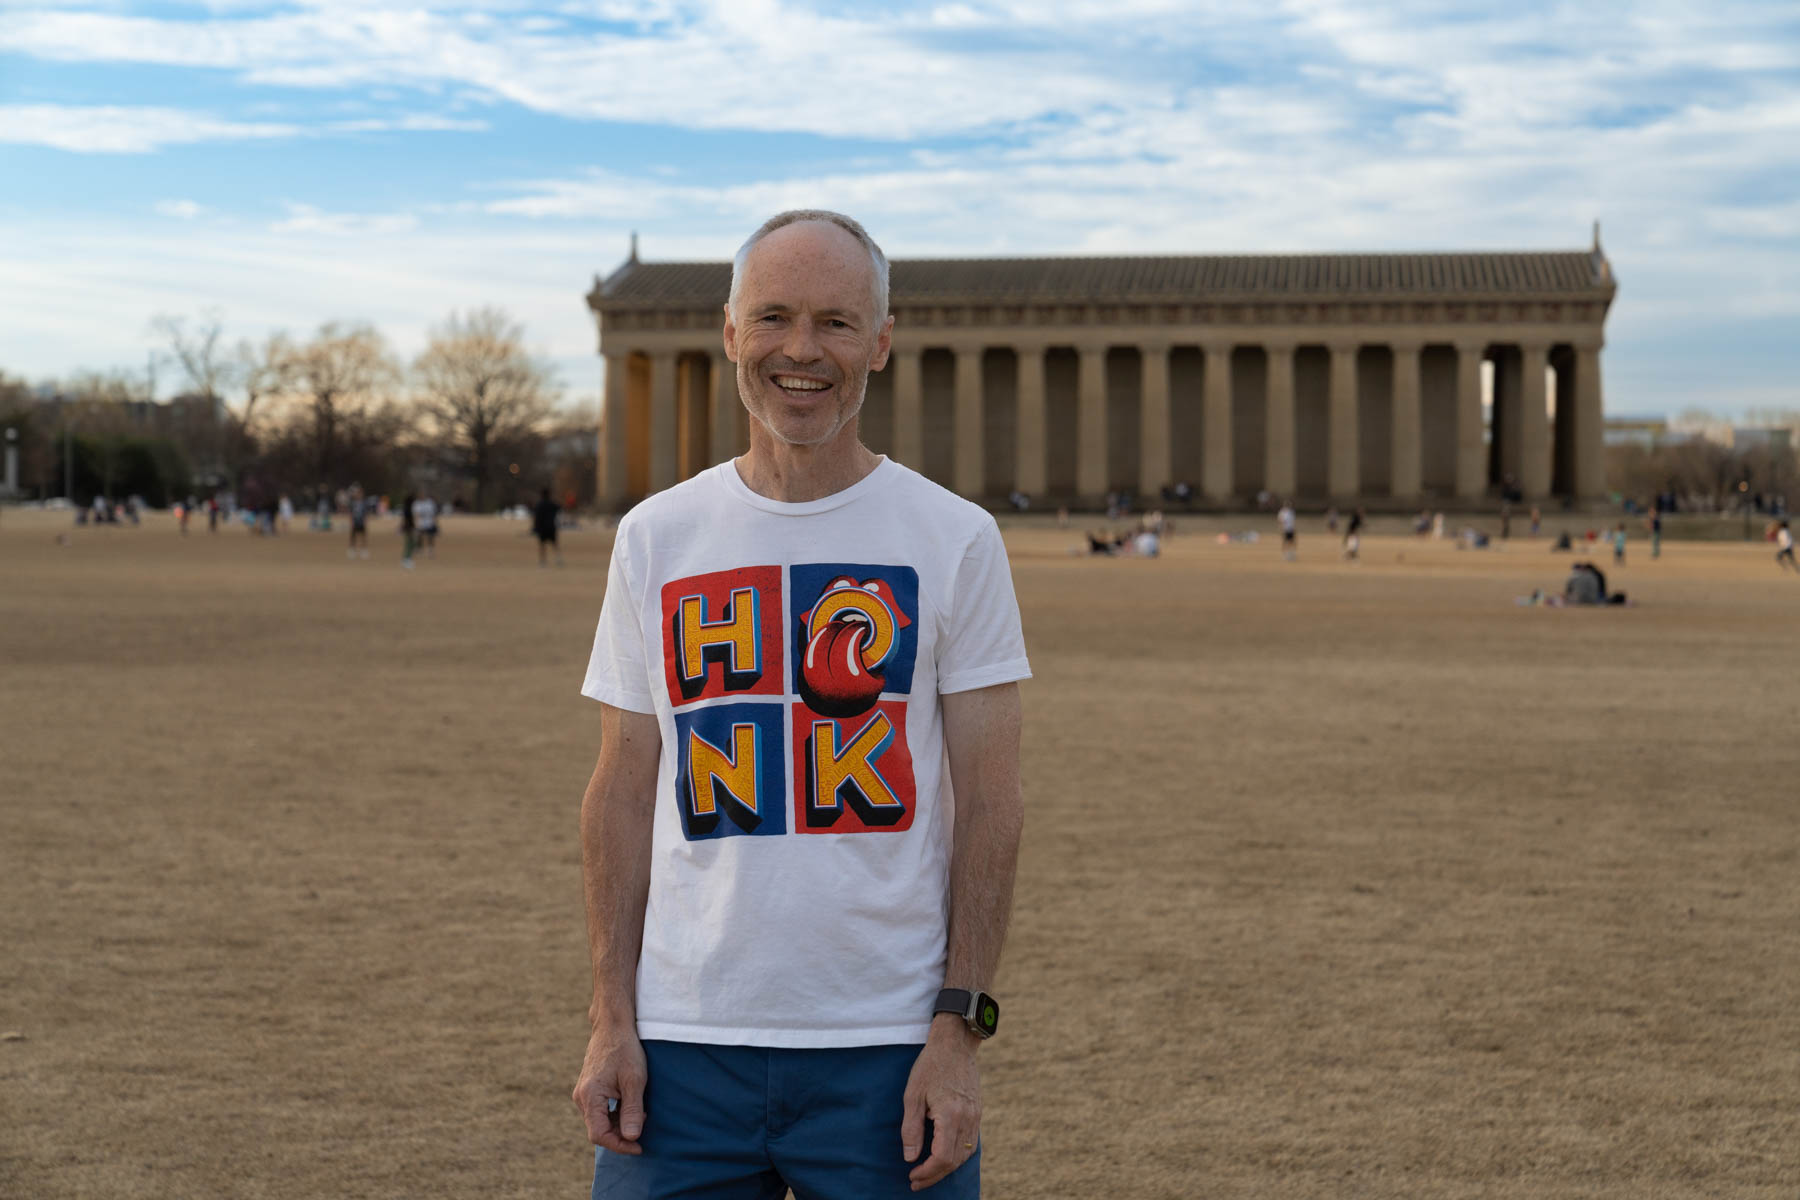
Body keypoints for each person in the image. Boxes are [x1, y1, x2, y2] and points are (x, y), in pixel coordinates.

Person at [573, 211, 1028, 1200]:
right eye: (774, 316)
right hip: (682, 1048)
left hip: (888, 1048)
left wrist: (959, 1027)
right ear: (731, 332)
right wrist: (613, 1014)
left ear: (881, 341)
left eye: (836, 321)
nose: (802, 349)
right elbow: (620, 794)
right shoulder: (658, 538)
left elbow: (991, 805)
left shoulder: (955, 539)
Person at [532, 486, 563, 567]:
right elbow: (559, 508)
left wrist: (535, 528)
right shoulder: (552, 504)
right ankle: (558, 559)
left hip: (542, 528)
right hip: (551, 527)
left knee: (542, 545)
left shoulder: (539, 505)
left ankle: (543, 561)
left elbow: (537, 517)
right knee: (555, 544)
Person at [347, 485, 371, 560]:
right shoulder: (353, 503)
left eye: (360, 493)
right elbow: (351, 513)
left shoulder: (364, 503)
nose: (359, 495)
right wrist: (351, 521)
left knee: (363, 537)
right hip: (355, 521)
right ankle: (352, 551)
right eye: (358, 493)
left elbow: (365, 513)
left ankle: (364, 551)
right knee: (353, 537)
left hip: (361, 522)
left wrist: (365, 521)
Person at [414, 493, 439, 558]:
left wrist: (435, 523)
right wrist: (416, 524)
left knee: (430, 537)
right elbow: (416, 514)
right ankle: (419, 550)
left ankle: (430, 550)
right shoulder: (417, 503)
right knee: (419, 537)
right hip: (421, 523)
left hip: (429, 523)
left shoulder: (430, 503)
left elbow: (434, 513)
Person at [399, 491, 417, 569]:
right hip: (409, 527)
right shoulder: (407, 509)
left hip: (409, 527)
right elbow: (406, 520)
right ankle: (406, 558)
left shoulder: (408, 508)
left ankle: (407, 558)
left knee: (410, 543)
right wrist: (407, 528)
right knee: (409, 543)